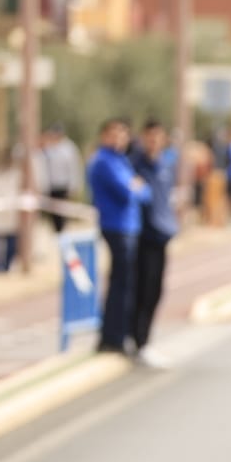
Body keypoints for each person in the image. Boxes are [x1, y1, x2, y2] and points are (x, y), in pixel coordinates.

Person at [86, 118, 148, 356]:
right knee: (121, 285)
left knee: (125, 284)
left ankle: (118, 334)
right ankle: (112, 337)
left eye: (123, 134)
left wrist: (136, 187)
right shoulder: (103, 161)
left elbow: (144, 192)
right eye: (114, 134)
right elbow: (127, 192)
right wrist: (135, 187)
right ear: (104, 135)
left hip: (130, 227)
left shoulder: (122, 160)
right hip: (116, 227)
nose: (119, 139)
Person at [130, 119, 178, 363]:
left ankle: (145, 339)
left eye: (157, 136)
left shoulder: (166, 164)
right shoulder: (136, 163)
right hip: (142, 234)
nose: (153, 141)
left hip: (162, 234)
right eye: (149, 136)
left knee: (156, 289)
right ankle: (138, 341)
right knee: (142, 288)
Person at [40, 124, 84, 232]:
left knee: (63, 214)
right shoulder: (49, 147)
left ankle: (62, 234)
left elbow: (74, 168)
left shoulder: (69, 148)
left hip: (63, 186)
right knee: (54, 214)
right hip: (51, 186)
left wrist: (74, 186)